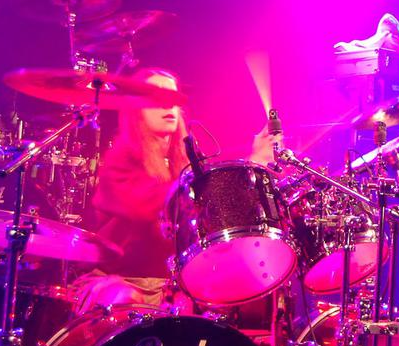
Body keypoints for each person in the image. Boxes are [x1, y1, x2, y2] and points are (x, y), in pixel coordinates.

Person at [74, 68, 278, 313]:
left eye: (172, 97)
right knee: (126, 298)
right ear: (136, 109)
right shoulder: (121, 159)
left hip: (173, 286)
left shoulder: (188, 158)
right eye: (155, 97)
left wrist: (257, 166)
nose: (167, 105)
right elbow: (155, 205)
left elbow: (215, 209)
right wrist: (248, 164)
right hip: (122, 281)